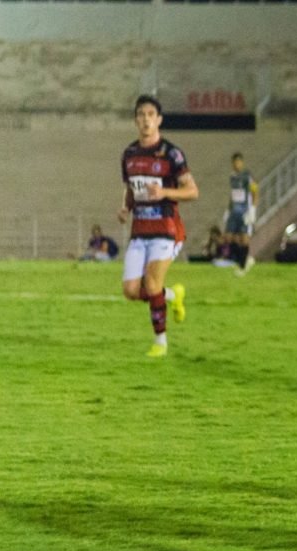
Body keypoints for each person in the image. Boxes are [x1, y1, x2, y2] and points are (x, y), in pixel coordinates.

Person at [118, 94, 198, 358]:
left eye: (150, 115)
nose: (145, 120)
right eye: (141, 115)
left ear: (159, 120)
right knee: (131, 291)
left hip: (167, 230)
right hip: (140, 232)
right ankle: (172, 296)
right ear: (135, 120)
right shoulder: (129, 155)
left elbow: (192, 191)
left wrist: (164, 192)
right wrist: (126, 208)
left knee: (151, 283)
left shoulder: (171, 154)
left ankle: (160, 342)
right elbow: (131, 188)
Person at [224, 152, 259, 276]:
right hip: (234, 211)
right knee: (228, 237)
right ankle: (244, 259)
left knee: (244, 238)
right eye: (234, 162)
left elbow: (255, 191)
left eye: (238, 162)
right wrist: (228, 210)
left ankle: (242, 266)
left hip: (244, 211)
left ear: (242, 163)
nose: (236, 164)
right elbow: (233, 195)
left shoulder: (247, 176)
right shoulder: (232, 176)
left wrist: (253, 209)